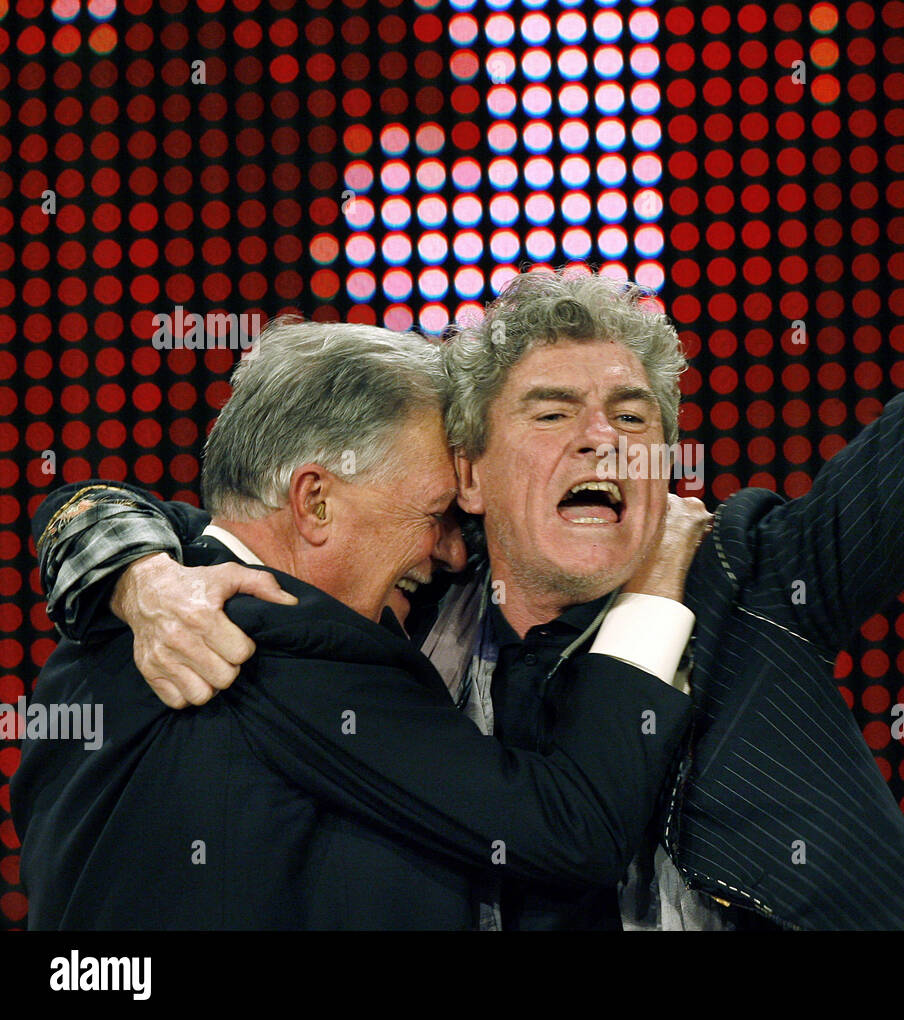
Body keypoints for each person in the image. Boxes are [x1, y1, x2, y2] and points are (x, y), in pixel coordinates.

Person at [32, 74, 904, 929]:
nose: (604, 438)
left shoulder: (755, 571)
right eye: (553, 412)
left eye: (634, 418)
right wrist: (129, 556)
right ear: (466, 476)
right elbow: (213, 530)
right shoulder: (396, 635)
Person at [12, 318, 708, 929]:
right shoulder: (284, 640)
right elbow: (572, 826)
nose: (454, 551)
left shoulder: (112, 625)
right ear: (314, 501)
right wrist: (653, 587)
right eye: (436, 514)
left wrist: (131, 563)